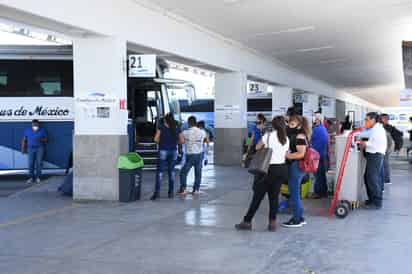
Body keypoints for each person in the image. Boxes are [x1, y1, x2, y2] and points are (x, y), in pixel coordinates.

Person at [235, 116, 289, 232]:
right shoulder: (286, 139)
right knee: (274, 198)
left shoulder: (268, 136)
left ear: (273, 125)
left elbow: (257, 147)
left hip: (266, 169)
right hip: (280, 169)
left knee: (257, 197)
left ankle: (247, 221)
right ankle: (272, 223)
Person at [282, 115, 311, 228]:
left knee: (294, 194)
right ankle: (299, 216)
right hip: (297, 166)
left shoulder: (299, 136)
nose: (289, 126)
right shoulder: (299, 135)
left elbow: (301, 153)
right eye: (289, 123)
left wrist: (287, 155)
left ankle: (296, 219)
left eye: (292, 124)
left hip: (296, 166)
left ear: (299, 125)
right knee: (295, 193)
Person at [151, 113, 184, 200]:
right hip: (173, 151)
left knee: (160, 172)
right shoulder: (177, 127)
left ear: (165, 119)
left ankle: (157, 193)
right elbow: (182, 141)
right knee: (171, 172)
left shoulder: (161, 127)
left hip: (163, 150)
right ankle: (170, 193)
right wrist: (175, 142)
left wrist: (162, 142)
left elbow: (155, 139)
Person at [357, 112, 387, 210]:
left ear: (373, 120)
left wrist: (364, 143)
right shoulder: (374, 129)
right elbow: (366, 136)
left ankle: (377, 202)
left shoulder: (378, 129)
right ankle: (371, 199)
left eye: (367, 120)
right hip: (373, 155)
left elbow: (376, 143)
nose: (365, 122)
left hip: (376, 155)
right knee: (368, 177)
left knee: (373, 179)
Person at [179, 116, 207, 195]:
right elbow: (205, 140)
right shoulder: (202, 132)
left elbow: (181, 141)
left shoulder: (185, 132)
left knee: (183, 172)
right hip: (199, 154)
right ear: (195, 122)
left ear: (189, 123)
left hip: (190, 155)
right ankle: (196, 190)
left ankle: (183, 189)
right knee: (198, 172)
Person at [21, 119, 48, 184]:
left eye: (36, 124)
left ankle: (38, 177)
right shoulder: (27, 130)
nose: (35, 125)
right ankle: (31, 178)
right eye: (33, 124)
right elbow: (24, 140)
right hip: (30, 148)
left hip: (40, 148)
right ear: (32, 124)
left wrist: (41, 139)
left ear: (38, 124)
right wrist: (23, 148)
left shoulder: (42, 130)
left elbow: (46, 139)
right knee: (31, 163)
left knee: (39, 163)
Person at [310, 112, 329, 199]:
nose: (313, 119)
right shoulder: (323, 129)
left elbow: (309, 140)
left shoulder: (316, 129)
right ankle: (324, 192)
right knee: (321, 174)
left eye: (315, 118)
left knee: (317, 175)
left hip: (316, 155)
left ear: (318, 120)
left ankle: (317, 193)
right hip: (322, 154)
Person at [379, 114, 395, 185]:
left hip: (386, 149)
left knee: (385, 164)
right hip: (385, 148)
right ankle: (385, 179)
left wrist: (387, 150)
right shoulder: (384, 126)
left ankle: (386, 180)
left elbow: (389, 141)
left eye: (381, 118)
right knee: (384, 164)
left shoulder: (387, 128)